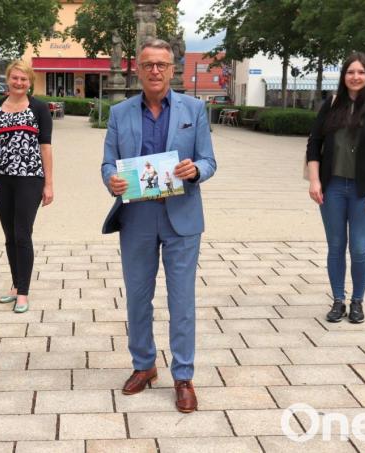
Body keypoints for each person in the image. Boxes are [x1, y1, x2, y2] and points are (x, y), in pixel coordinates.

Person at [101, 38, 216, 413]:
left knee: (181, 301)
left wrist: (196, 170)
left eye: (161, 65)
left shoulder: (194, 109)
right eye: (148, 64)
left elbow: (209, 160)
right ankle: (144, 365)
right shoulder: (119, 113)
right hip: (136, 218)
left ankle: (183, 376)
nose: (154, 71)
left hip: (181, 217)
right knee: (137, 298)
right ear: (137, 68)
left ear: (172, 69)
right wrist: (111, 181)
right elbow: (108, 163)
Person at [305, 52, 365, 324]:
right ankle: (338, 300)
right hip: (332, 187)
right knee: (335, 246)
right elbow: (314, 143)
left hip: (364, 189)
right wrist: (315, 180)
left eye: (361, 72)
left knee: (359, 248)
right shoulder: (331, 104)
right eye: (350, 72)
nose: (355, 77)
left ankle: (357, 301)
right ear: (343, 76)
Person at [0, 60, 54, 313]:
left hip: (30, 177)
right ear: (8, 79)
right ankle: (15, 285)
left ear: (29, 82)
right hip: (1, 177)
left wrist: (48, 183)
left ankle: (23, 292)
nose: (19, 83)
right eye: (15, 78)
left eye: (24, 79)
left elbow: (45, 146)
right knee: (9, 234)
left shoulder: (39, 108)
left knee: (22, 233)